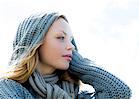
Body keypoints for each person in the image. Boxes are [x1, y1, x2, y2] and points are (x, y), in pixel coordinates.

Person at [0, 12, 131, 99]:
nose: (71, 46)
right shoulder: (7, 89)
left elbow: (119, 93)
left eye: (71, 40)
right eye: (61, 37)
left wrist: (81, 65)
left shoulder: (75, 95)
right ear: (35, 42)